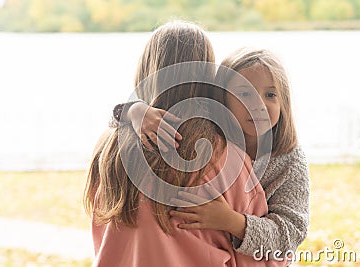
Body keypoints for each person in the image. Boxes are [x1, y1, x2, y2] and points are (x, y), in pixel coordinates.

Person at [85, 21, 283, 267]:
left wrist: (131, 112)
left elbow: (101, 236)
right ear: (206, 76)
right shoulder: (221, 155)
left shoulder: (108, 150)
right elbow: (263, 257)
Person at [115, 47, 310, 262]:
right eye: (245, 94)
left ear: (284, 102)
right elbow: (117, 122)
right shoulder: (210, 133)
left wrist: (231, 221)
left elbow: (292, 233)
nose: (259, 104)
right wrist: (135, 111)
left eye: (270, 95)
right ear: (221, 98)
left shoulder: (290, 159)